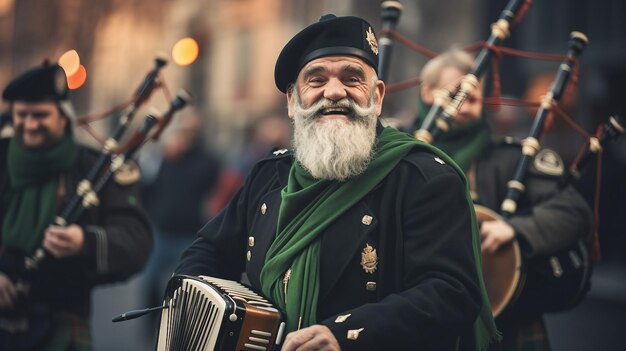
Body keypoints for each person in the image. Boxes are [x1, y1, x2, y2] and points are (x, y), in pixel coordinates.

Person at [175, 14, 499, 351]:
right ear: (292, 101)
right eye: (316, 80)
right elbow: (209, 250)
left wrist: (345, 335)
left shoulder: (425, 179)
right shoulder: (268, 175)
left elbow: (452, 292)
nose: (334, 91)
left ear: (377, 97)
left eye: (352, 78)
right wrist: (191, 299)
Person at [416, 49, 594, 350]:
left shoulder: (510, 159)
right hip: (422, 317)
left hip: (507, 322)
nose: (464, 106)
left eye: (472, 99)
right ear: (427, 93)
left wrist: (517, 230)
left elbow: (574, 211)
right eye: (455, 95)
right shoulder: (404, 155)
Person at [0, 63, 152, 350]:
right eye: (22, 115)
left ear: (63, 118)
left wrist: (86, 241)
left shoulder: (95, 167)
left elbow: (137, 242)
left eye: (41, 115)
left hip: (62, 320)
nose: (30, 124)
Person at [138, 107, 221, 338]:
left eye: (191, 129)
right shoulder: (163, 158)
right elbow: (146, 188)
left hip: (189, 234)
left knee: (182, 287)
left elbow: (216, 193)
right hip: (160, 231)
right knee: (150, 281)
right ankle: (150, 326)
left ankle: (175, 331)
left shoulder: (208, 161)